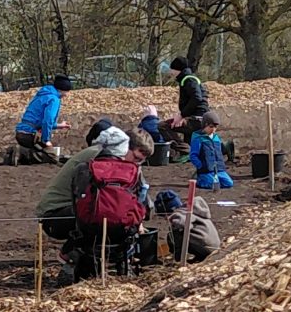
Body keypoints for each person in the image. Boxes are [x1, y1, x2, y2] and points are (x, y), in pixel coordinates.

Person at [38, 125, 148, 281]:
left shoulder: (102, 159)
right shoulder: (94, 161)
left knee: (102, 215)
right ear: (125, 149)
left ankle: (86, 257)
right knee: (98, 216)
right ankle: (71, 253)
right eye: (136, 158)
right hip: (57, 214)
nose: (137, 164)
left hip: (75, 209)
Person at [15, 74, 68, 164]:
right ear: (62, 90)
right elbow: (47, 121)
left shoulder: (41, 95)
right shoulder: (54, 99)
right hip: (31, 134)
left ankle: (19, 154)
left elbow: (38, 120)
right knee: (52, 158)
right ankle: (21, 152)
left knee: (40, 152)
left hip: (21, 132)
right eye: (66, 92)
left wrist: (60, 125)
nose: (66, 95)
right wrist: (46, 140)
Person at [159, 188, 221, 261]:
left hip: (206, 247)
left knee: (173, 234)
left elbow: (182, 224)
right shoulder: (193, 209)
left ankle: (179, 259)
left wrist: (173, 223)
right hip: (214, 245)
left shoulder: (179, 214)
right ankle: (200, 256)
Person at [191, 113, 236, 188]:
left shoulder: (216, 138)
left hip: (219, 169)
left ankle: (214, 179)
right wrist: (200, 166)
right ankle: (199, 180)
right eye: (211, 127)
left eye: (215, 127)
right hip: (206, 170)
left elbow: (220, 151)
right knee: (211, 184)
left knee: (229, 183)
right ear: (205, 125)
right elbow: (193, 155)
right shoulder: (198, 139)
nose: (213, 129)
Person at [171, 56, 210, 133]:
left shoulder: (189, 80)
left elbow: (197, 98)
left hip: (197, 118)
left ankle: (177, 142)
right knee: (189, 138)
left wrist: (181, 115)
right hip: (194, 116)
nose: (171, 72)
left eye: (172, 69)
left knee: (164, 126)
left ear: (177, 69)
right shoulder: (187, 79)